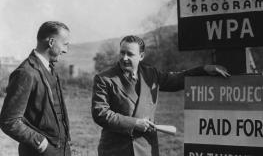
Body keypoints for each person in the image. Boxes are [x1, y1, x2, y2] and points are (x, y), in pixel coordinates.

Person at [91, 35, 230, 156]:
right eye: (122, 53)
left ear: (141, 56)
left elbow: (176, 79)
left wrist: (204, 70)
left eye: (130, 54)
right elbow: (100, 113)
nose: (124, 58)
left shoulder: (151, 74)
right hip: (116, 151)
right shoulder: (104, 79)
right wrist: (134, 123)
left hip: (146, 149)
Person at [0, 21, 71, 156]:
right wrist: (41, 143)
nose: (65, 50)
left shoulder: (51, 69)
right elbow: (9, 121)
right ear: (51, 42)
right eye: (65, 44)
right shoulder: (25, 72)